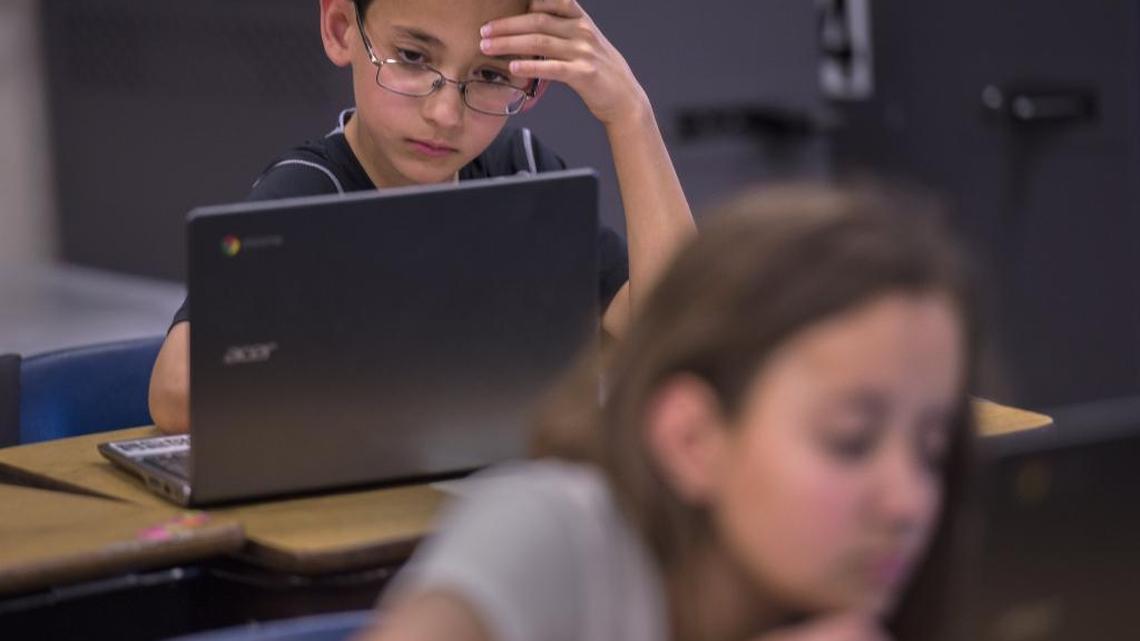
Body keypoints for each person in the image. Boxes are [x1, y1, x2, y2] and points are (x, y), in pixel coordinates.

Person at [354, 183, 981, 641]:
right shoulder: (553, 534)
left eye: (931, 449)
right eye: (851, 440)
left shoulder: (868, 598)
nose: (909, 502)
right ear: (691, 438)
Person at [148, 0, 696, 433]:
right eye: (412, 58)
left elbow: (681, 329)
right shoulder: (307, 193)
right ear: (341, 28)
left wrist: (629, 112)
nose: (444, 114)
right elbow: (177, 390)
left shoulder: (523, 174)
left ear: (533, 82)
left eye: (488, 74)